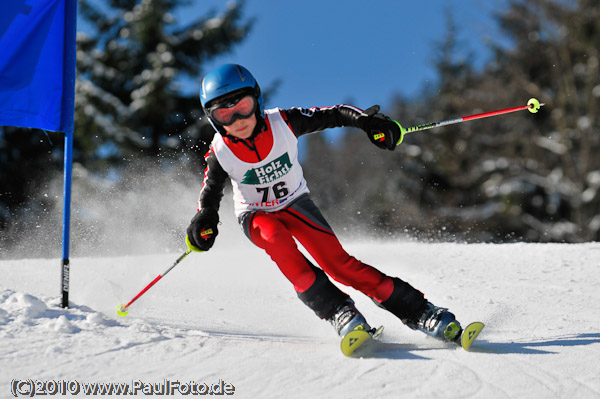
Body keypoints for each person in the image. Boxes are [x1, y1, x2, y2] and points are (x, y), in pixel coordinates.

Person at [186, 63, 461, 342]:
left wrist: (368, 122)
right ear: (213, 120)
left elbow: (336, 114)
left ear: (257, 99)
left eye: (243, 105)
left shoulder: (284, 122)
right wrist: (204, 218)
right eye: (224, 114)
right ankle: (339, 312)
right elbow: (210, 193)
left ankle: (421, 311)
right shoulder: (219, 151)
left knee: (339, 265)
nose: (237, 119)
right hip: (256, 216)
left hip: (296, 204)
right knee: (275, 238)